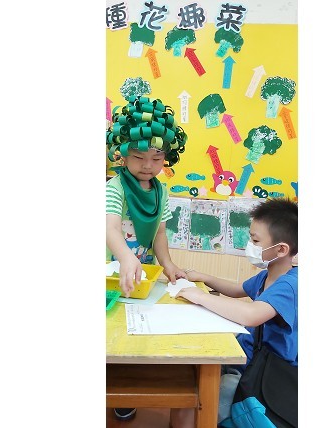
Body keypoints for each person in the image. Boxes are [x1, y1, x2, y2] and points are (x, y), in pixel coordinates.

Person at [170, 198, 298, 427]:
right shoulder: (267, 275)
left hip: (265, 375)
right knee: (187, 381)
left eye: (255, 240)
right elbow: (237, 289)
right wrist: (203, 277)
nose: (249, 245)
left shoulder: (290, 285)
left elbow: (251, 315)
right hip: (245, 359)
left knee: (192, 402)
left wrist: (200, 296)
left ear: (281, 249)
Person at [106, 95, 189, 421]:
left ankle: (131, 387)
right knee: (110, 333)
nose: (148, 165)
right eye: (139, 156)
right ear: (123, 154)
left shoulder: (161, 191)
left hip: (144, 273)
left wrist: (168, 265)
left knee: (138, 331)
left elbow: (160, 234)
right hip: (111, 271)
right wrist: (126, 257)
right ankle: (112, 386)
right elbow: (110, 228)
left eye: (157, 158)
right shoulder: (115, 187)